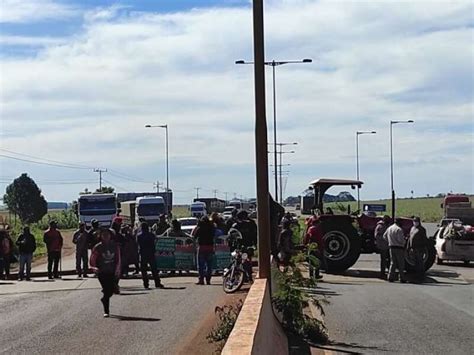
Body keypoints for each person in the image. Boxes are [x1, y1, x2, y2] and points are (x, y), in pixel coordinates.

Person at [90, 228, 121, 317]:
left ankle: (104, 299)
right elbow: (93, 259)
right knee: (106, 290)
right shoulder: (98, 247)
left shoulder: (115, 246)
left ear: (111, 235)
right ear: (101, 236)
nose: (106, 236)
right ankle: (106, 311)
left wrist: (118, 270)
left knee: (111, 291)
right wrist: (94, 268)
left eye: (107, 234)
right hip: (102, 272)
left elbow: (118, 259)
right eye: (104, 235)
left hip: (112, 271)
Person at [137, 222, 163, 289]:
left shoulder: (139, 236)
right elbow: (156, 240)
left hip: (143, 253)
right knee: (154, 269)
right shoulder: (151, 235)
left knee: (144, 270)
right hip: (151, 253)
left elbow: (137, 244)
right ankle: (157, 283)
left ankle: (146, 283)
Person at [232, 210, 257, 281]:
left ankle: (246, 275)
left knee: (245, 260)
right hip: (245, 245)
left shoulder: (249, 223)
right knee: (245, 260)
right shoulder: (251, 223)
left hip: (244, 245)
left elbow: (255, 234)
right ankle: (246, 275)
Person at [383, 218, 407, 283]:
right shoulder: (399, 229)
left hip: (391, 247)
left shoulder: (389, 228)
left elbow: (384, 236)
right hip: (399, 248)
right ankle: (402, 278)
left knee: (393, 263)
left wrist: (389, 241)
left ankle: (390, 277)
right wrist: (404, 241)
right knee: (401, 263)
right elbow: (400, 240)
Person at [194, 216, 215, 285]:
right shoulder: (211, 228)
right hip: (210, 247)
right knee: (209, 265)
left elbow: (194, 236)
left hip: (202, 247)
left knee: (201, 265)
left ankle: (201, 279)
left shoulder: (199, 228)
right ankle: (208, 280)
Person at [408, 216, 428, 283]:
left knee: (420, 263)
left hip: (419, 249)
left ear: (419, 222)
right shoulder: (412, 228)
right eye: (414, 221)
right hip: (413, 249)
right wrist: (409, 247)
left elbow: (424, 240)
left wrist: (422, 248)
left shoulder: (422, 229)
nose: (415, 222)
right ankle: (416, 275)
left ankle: (421, 276)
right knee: (415, 263)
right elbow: (409, 238)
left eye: (416, 221)